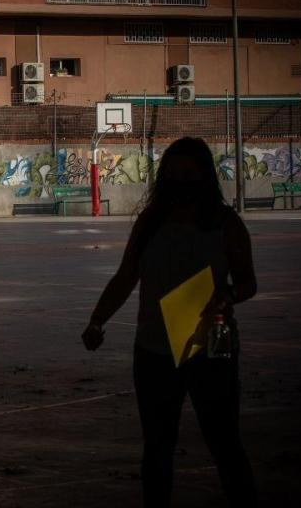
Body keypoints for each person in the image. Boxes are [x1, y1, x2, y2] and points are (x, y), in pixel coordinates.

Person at [82, 137, 257, 507]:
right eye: (174, 174)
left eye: (189, 174)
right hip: (155, 350)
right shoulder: (150, 223)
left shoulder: (226, 225)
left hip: (209, 347)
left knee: (224, 442)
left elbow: (247, 281)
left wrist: (228, 295)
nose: (182, 182)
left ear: (205, 177)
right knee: (158, 447)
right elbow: (125, 277)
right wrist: (98, 320)